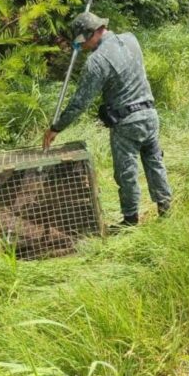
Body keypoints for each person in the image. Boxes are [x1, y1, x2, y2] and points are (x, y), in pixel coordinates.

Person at [43, 12, 172, 225]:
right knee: (154, 161)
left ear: (91, 33)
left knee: (126, 172)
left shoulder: (97, 61)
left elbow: (80, 102)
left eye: (82, 42)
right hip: (150, 115)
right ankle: (165, 208)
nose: (82, 47)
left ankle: (130, 220)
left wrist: (56, 127)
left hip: (128, 123)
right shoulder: (131, 39)